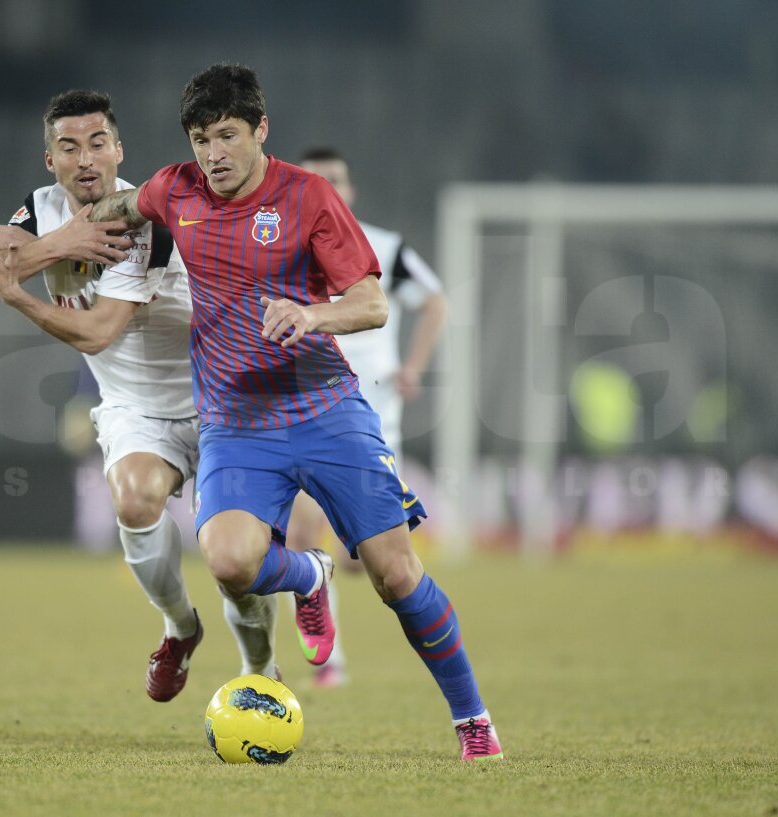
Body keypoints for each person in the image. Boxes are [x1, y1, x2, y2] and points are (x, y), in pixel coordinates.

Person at [84, 64, 503, 760]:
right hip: (235, 422)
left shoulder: (307, 198)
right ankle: (308, 574)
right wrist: (46, 245)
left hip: (326, 409)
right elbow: (118, 211)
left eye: (227, 136)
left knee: (397, 574)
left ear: (260, 131)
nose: (213, 154)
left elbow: (370, 302)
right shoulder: (174, 189)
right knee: (227, 560)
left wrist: (310, 316)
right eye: (200, 138)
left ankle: (472, 718)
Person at [0, 90, 283, 702]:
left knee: (236, 564)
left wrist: (20, 291)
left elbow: (96, 331)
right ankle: (180, 628)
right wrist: (60, 244)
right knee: (134, 500)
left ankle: (260, 672)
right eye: (69, 147)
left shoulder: (150, 216)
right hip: (137, 410)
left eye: (97, 143)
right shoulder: (44, 208)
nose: (85, 159)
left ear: (118, 150)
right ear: (49, 160)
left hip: (219, 402)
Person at [285, 146, 449, 688]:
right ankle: (328, 661)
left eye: (335, 178)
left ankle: (331, 569)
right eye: (315, 179)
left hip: (372, 411)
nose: (327, 186)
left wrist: (414, 366)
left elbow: (434, 301)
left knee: (369, 559)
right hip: (309, 404)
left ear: (350, 189)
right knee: (303, 526)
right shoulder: (282, 246)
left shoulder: (384, 246)